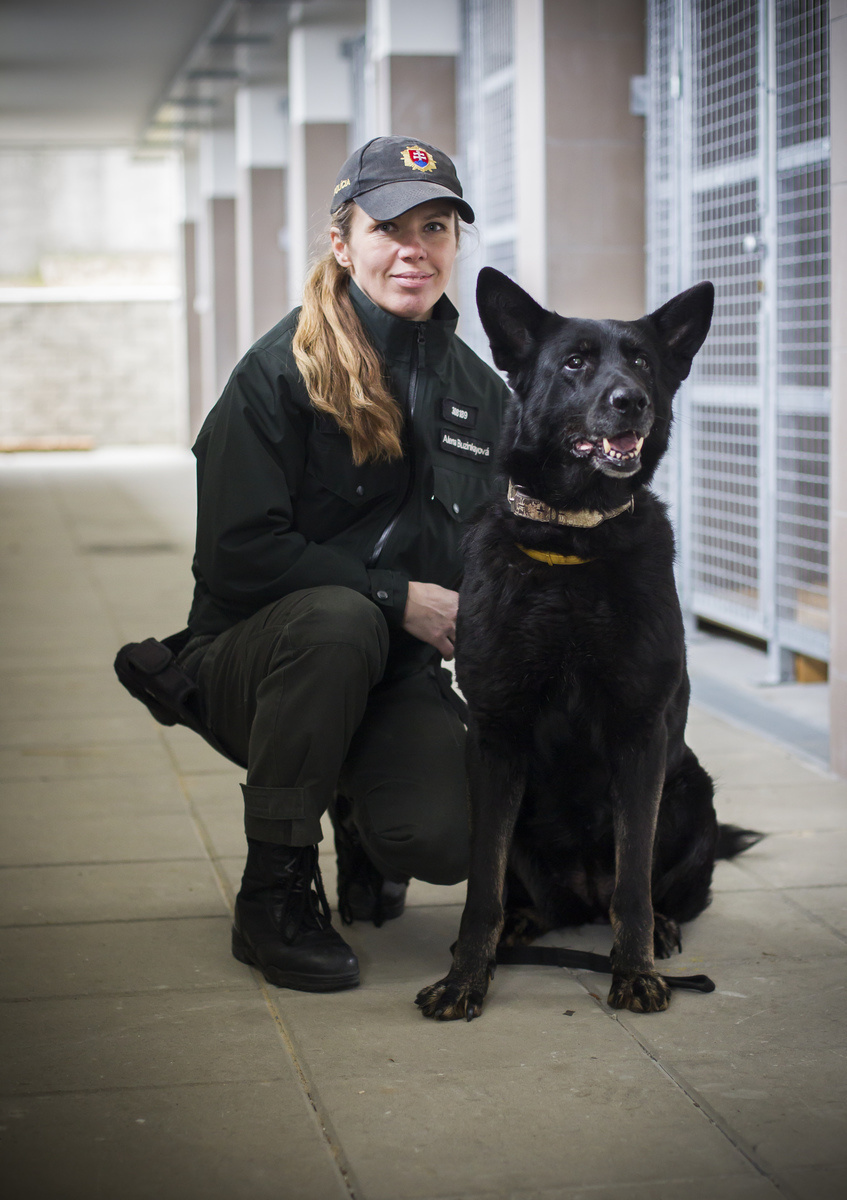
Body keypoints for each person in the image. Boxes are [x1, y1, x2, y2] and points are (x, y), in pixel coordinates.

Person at [177, 135, 510, 994]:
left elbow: (494, 549)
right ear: (341, 241)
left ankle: (363, 820)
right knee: (339, 616)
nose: (415, 249)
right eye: (389, 227)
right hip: (259, 665)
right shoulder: (277, 374)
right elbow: (237, 553)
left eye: (436, 228)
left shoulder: (479, 391)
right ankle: (275, 891)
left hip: (391, 676)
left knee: (451, 837)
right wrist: (396, 597)